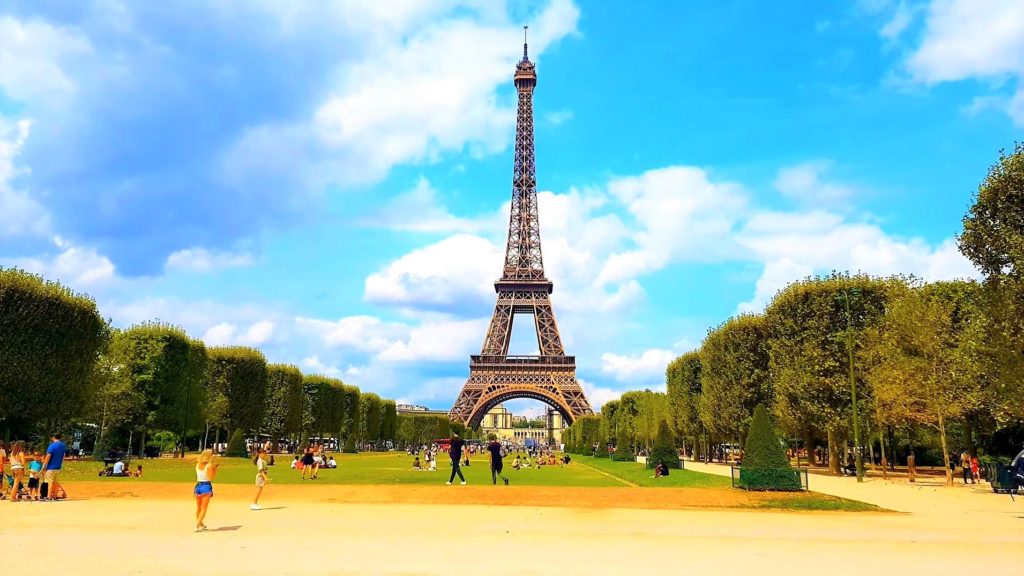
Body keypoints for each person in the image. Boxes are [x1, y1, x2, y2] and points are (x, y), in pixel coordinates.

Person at [194, 449, 219, 531]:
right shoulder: (209, 465)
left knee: (198, 507)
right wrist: (215, 469)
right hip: (206, 486)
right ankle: (197, 525)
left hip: (198, 486)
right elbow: (210, 477)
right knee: (204, 508)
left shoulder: (197, 464)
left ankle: (200, 523)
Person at [39, 433, 67, 501]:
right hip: (58, 467)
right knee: (56, 482)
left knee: (50, 482)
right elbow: (63, 456)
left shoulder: (52, 446)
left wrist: (44, 466)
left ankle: (49, 496)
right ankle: (55, 496)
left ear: (54, 437)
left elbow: (48, 456)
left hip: (51, 467)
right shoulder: (63, 446)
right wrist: (61, 463)